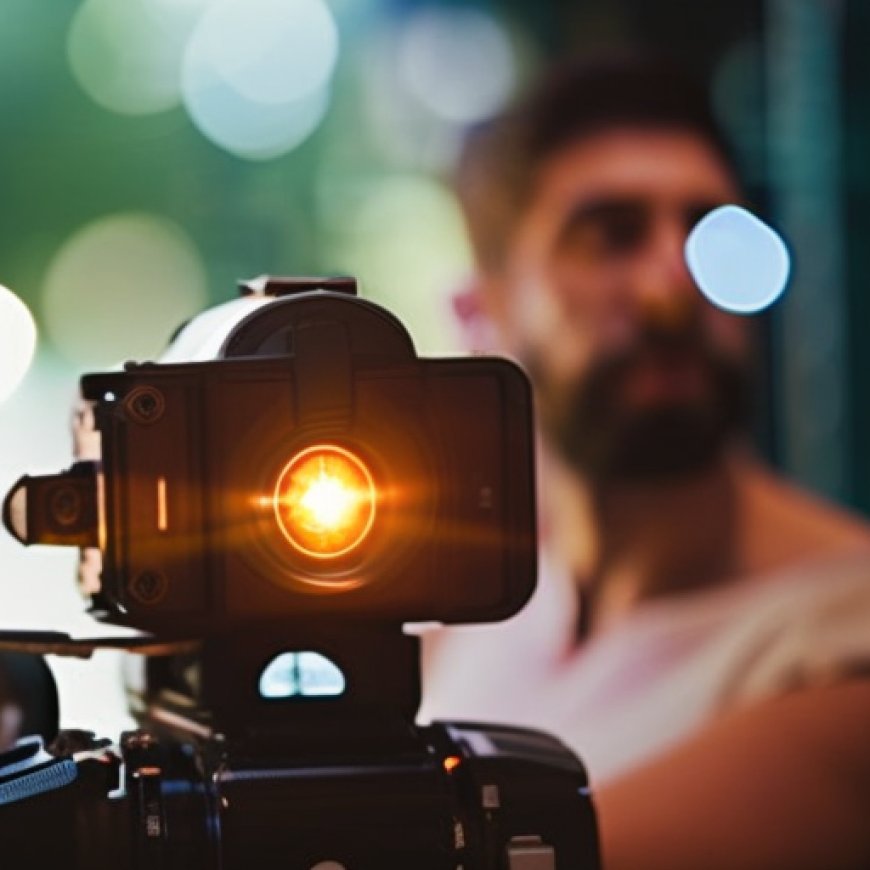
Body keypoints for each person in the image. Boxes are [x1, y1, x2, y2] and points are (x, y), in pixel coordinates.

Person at [418, 54, 870, 868]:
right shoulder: (481, 616)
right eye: (611, 235)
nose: (674, 285)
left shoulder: (843, 635)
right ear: (480, 312)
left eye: (706, 232)